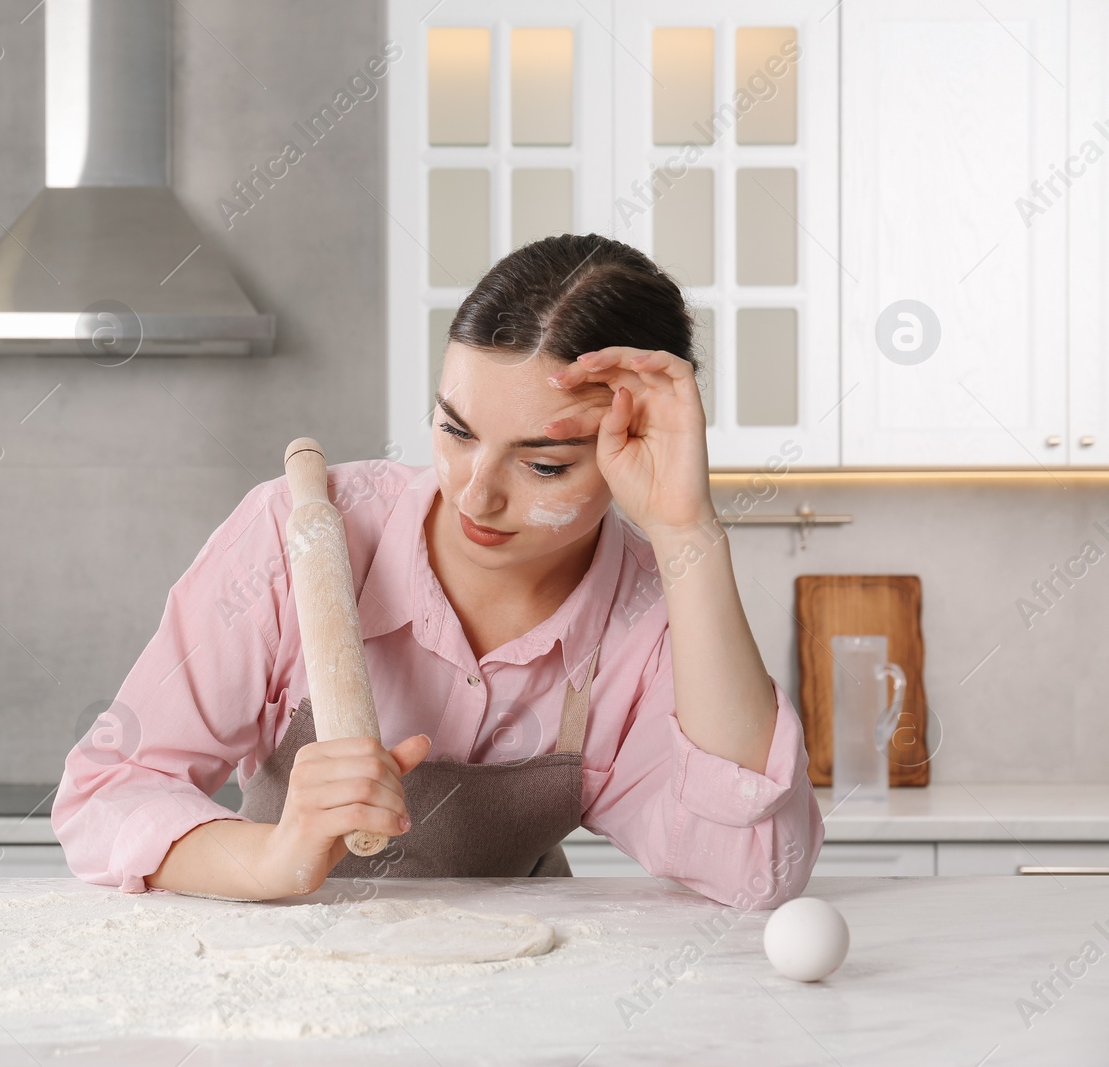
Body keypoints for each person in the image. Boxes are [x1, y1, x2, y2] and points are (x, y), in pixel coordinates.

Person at [54, 233, 822, 908]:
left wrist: (689, 532)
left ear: (635, 446)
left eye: (545, 463)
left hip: (511, 1006)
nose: (476, 491)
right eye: (455, 430)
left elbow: (758, 870)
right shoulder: (299, 538)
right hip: (284, 992)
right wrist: (271, 858)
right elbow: (106, 791)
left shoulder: (649, 615)